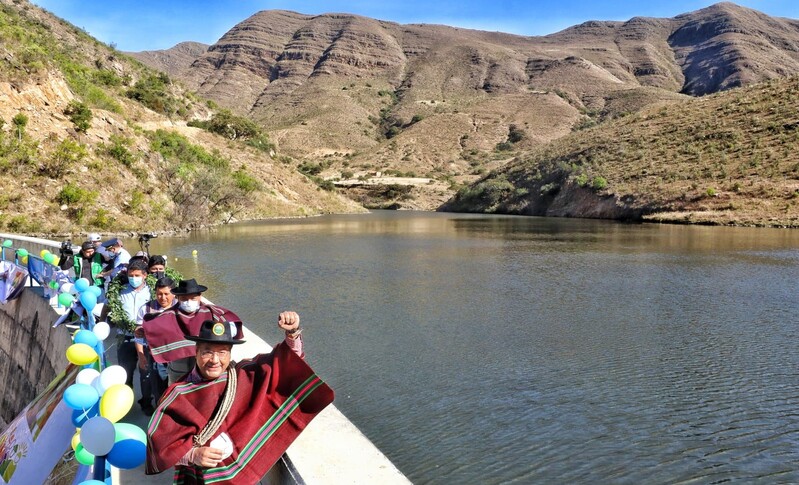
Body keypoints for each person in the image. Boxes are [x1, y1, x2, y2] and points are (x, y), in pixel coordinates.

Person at [146, 314, 334, 484]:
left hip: (241, 477)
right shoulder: (178, 394)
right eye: (207, 352)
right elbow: (159, 444)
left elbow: (283, 366)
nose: (214, 360)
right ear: (196, 352)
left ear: (230, 353)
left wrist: (292, 333)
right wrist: (192, 455)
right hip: (196, 478)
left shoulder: (243, 375)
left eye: (222, 352)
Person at [142, 279, 241, 384]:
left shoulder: (212, 312)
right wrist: (142, 331)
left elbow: (232, 327)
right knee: (177, 387)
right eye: (184, 299)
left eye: (193, 298)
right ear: (178, 298)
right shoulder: (168, 315)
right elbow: (152, 326)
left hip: (205, 362)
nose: (189, 302)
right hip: (178, 365)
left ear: (200, 297)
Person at [104, 259, 153, 414]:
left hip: (146, 340)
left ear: (145, 275)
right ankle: (126, 402)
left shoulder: (152, 292)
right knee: (126, 372)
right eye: (131, 275)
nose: (133, 278)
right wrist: (101, 323)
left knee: (146, 372)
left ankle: (146, 402)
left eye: (137, 275)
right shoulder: (119, 291)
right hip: (125, 338)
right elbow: (107, 306)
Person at [135, 276, 177, 406]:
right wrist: (141, 356)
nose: (163, 298)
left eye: (166, 294)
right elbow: (138, 335)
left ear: (174, 294)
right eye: (159, 294)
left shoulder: (181, 308)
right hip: (156, 356)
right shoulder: (146, 309)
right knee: (159, 388)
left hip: (177, 356)